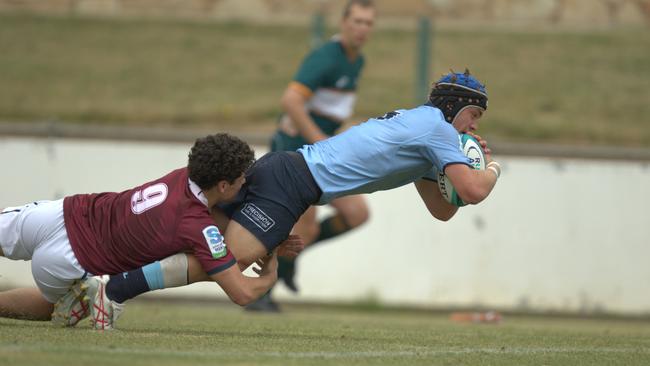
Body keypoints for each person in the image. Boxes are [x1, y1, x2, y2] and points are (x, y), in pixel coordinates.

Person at [49, 69, 502, 329]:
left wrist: (459, 175)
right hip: (294, 183)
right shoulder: (439, 130)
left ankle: (91, 283)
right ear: (454, 107)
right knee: (227, 257)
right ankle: (114, 292)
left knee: (197, 239)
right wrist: (491, 165)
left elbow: (446, 208)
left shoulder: (427, 135)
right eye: (473, 116)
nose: (473, 127)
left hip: (287, 170)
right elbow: (474, 189)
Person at [0, 133, 290, 329]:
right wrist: (270, 274)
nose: (244, 182)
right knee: (56, 307)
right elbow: (241, 293)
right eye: (240, 178)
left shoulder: (184, 174)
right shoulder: (200, 229)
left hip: (61, 213)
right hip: (72, 259)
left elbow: (213, 218)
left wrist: (266, 240)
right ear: (223, 185)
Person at [262, 0, 376, 311]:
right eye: (357, 21)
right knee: (304, 227)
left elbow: (331, 113)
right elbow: (290, 101)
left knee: (357, 214)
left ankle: (288, 263)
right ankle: (262, 293)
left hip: (320, 156)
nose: (362, 28)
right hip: (296, 154)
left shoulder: (356, 61)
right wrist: (321, 143)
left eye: (368, 23)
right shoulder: (326, 57)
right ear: (343, 23)